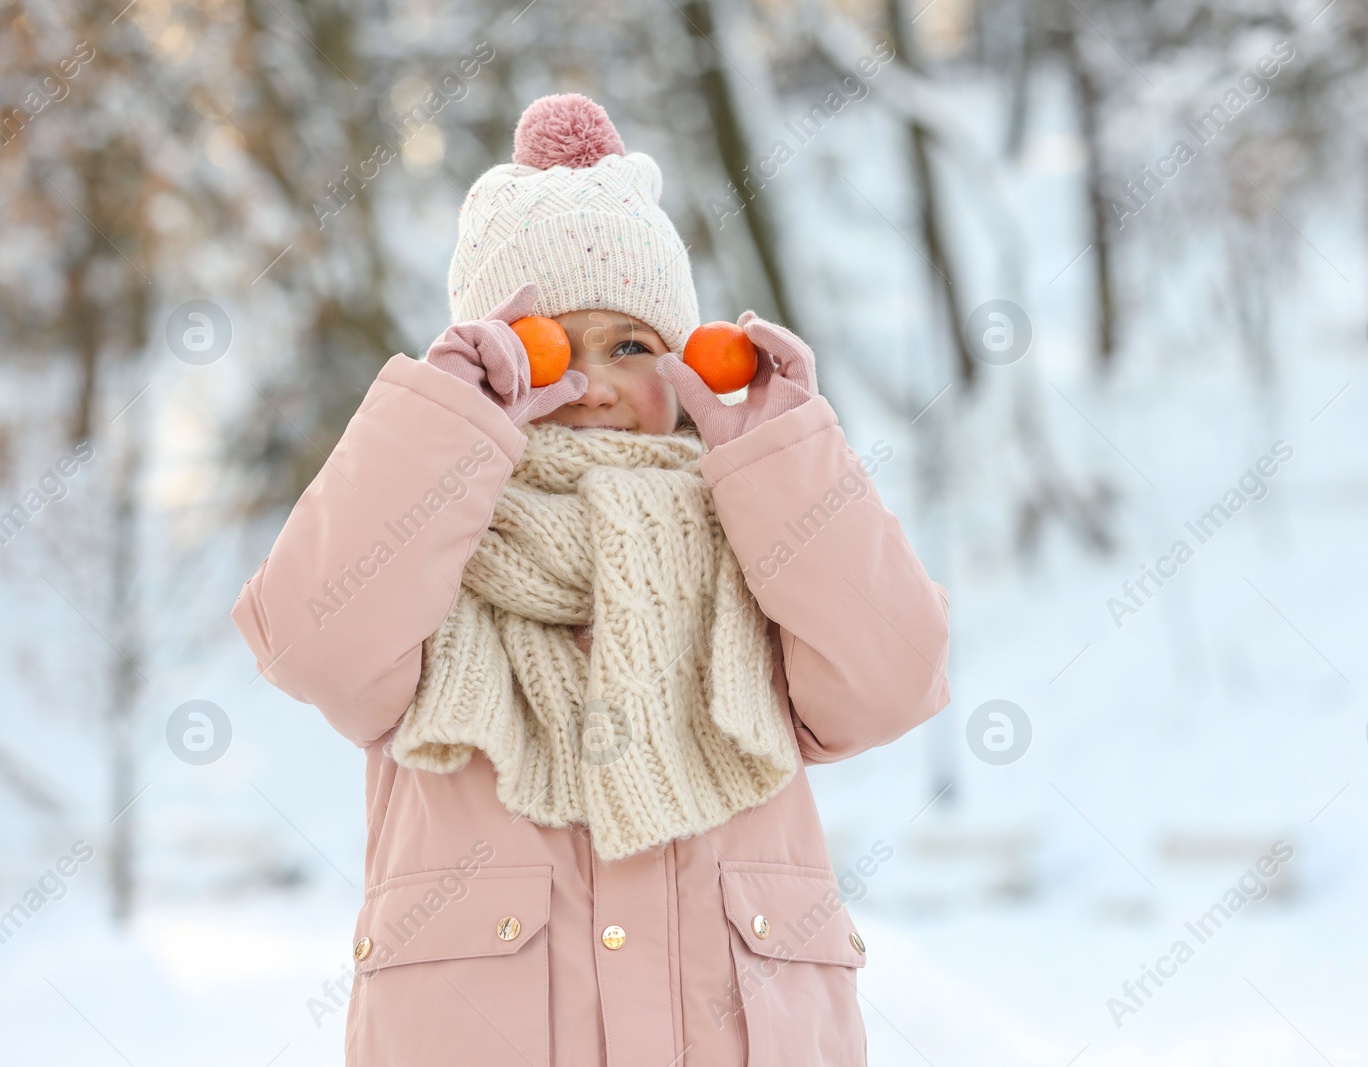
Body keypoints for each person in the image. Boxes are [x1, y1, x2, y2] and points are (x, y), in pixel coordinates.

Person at [230, 92, 949, 1067]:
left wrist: (784, 457)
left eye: (633, 346)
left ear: (692, 358)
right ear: (495, 361)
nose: (599, 384)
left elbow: (889, 678)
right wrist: (442, 424)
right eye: (556, 350)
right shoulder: (430, 544)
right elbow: (315, 643)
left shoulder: (757, 535)